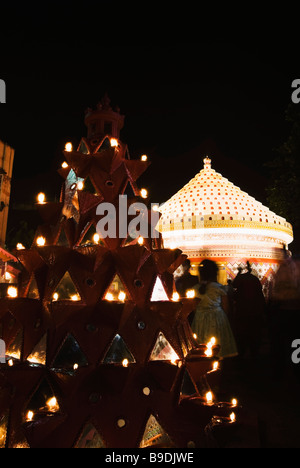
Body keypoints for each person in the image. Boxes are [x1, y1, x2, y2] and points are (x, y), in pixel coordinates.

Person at [191, 260, 238, 359]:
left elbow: (193, 307)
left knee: (201, 348)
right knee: (217, 347)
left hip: (200, 319)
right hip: (217, 319)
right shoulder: (219, 288)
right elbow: (226, 307)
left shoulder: (195, 288)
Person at [232, 261, 266, 359]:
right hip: (255, 311)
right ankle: (254, 354)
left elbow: (234, 285)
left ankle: (242, 354)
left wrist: (238, 273)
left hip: (243, 311)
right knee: (254, 334)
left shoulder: (241, 278)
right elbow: (260, 294)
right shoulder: (254, 279)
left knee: (242, 334)